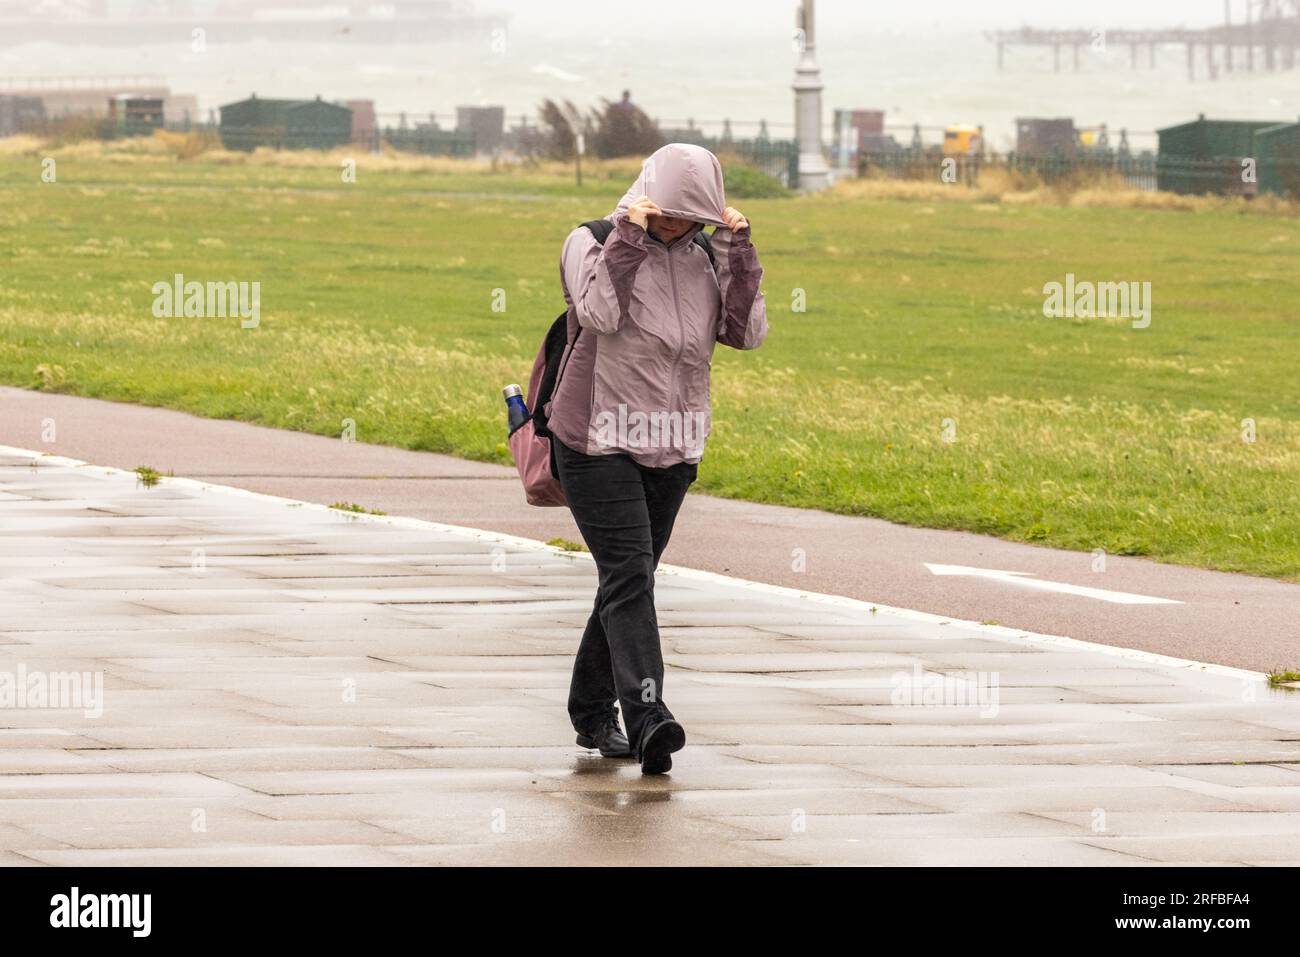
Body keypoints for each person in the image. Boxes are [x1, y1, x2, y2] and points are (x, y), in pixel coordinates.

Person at [544, 143, 768, 774]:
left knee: (627, 579)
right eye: (666, 212)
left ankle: (591, 715)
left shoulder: (704, 254)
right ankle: (648, 718)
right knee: (630, 575)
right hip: (596, 440)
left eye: (688, 216)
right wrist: (630, 236)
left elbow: (745, 334)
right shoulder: (591, 240)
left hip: (674, 442)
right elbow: (598, 313)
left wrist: (736, 253)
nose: (675, 224)